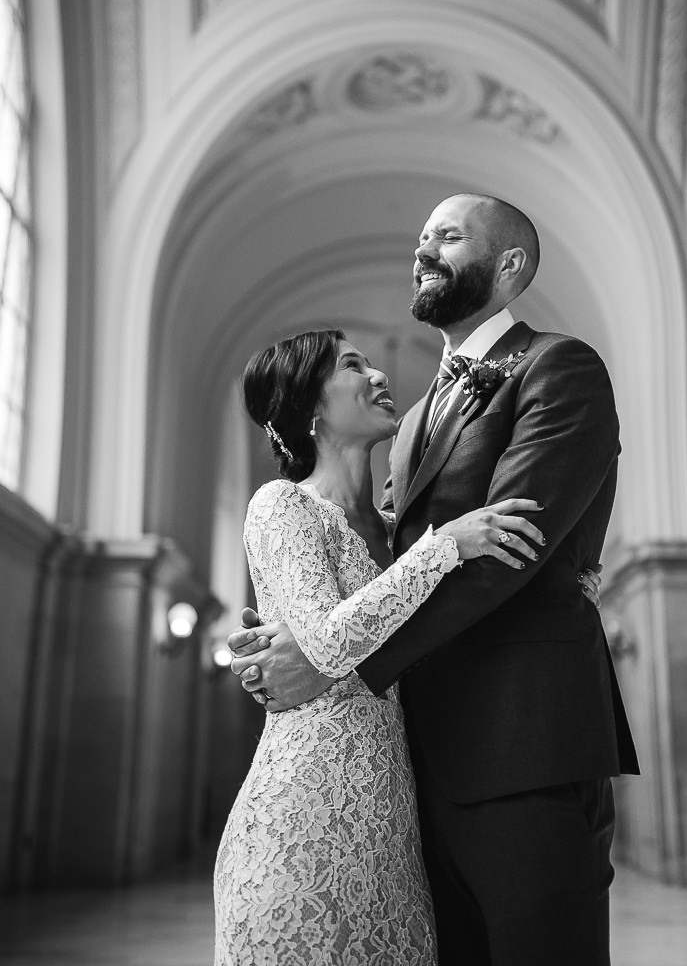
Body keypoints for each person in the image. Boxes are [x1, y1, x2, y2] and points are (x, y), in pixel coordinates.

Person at [230, 193, 639, 965]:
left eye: (447, 237)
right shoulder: (412, 421)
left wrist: (328, 663)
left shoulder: (558, 366)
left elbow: (510, 550)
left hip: (523, 741)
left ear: (509, 264)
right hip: (414, 765)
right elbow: (382, 573)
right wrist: (286, 636)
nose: (423, 250)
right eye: (420, 237)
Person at [214, 327, 549, 965]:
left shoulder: (398, 533)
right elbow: (326, 641)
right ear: (311, 406)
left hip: (393, 821)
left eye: (371, 363)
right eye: (351, 365)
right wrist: (444, 547)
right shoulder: (282, 506)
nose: (377, 375)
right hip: (301, 814)